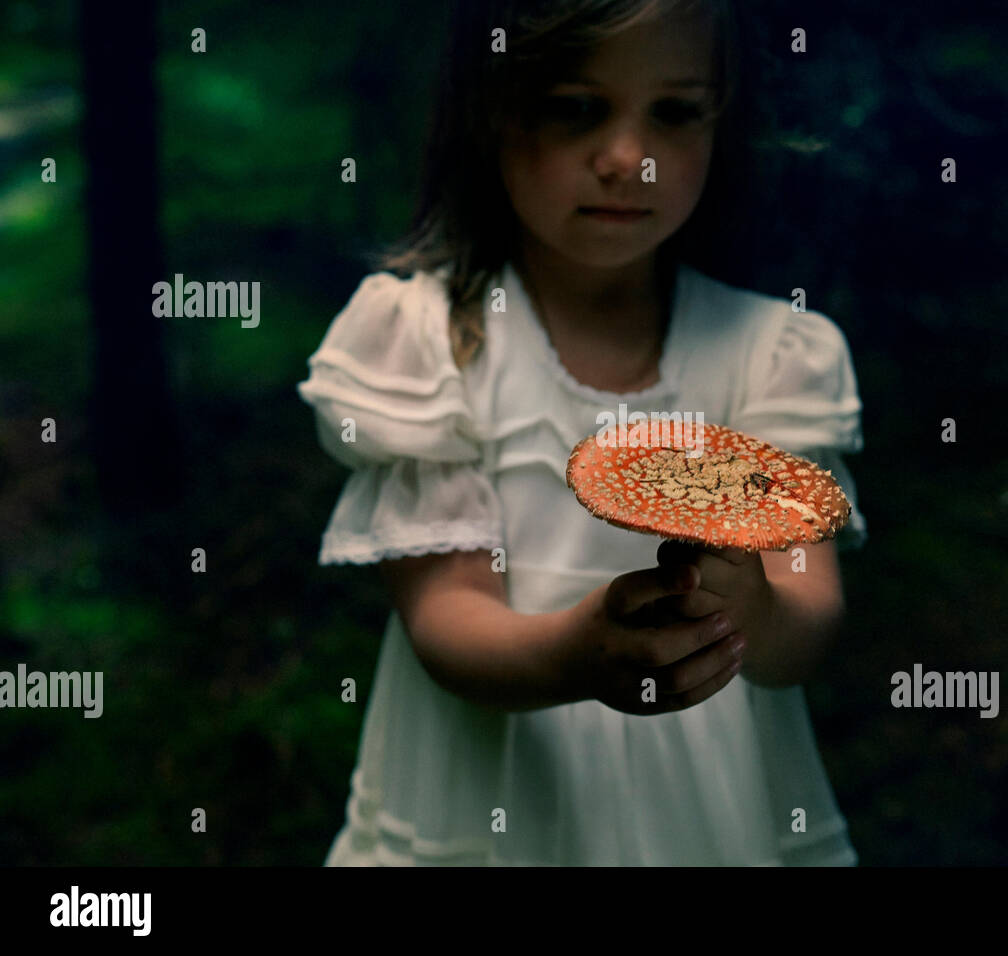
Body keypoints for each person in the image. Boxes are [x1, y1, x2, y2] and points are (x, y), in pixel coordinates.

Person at [297, 0, 868, 865]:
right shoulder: (430, 342)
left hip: (711, 808)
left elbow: (809, 615)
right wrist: (575, 657)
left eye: (675, 112)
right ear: (488, 107)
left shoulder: (771, 355)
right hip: (491, 782)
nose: (628, 161)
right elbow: (447, 614)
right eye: (575, 106)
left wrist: (746, 610)